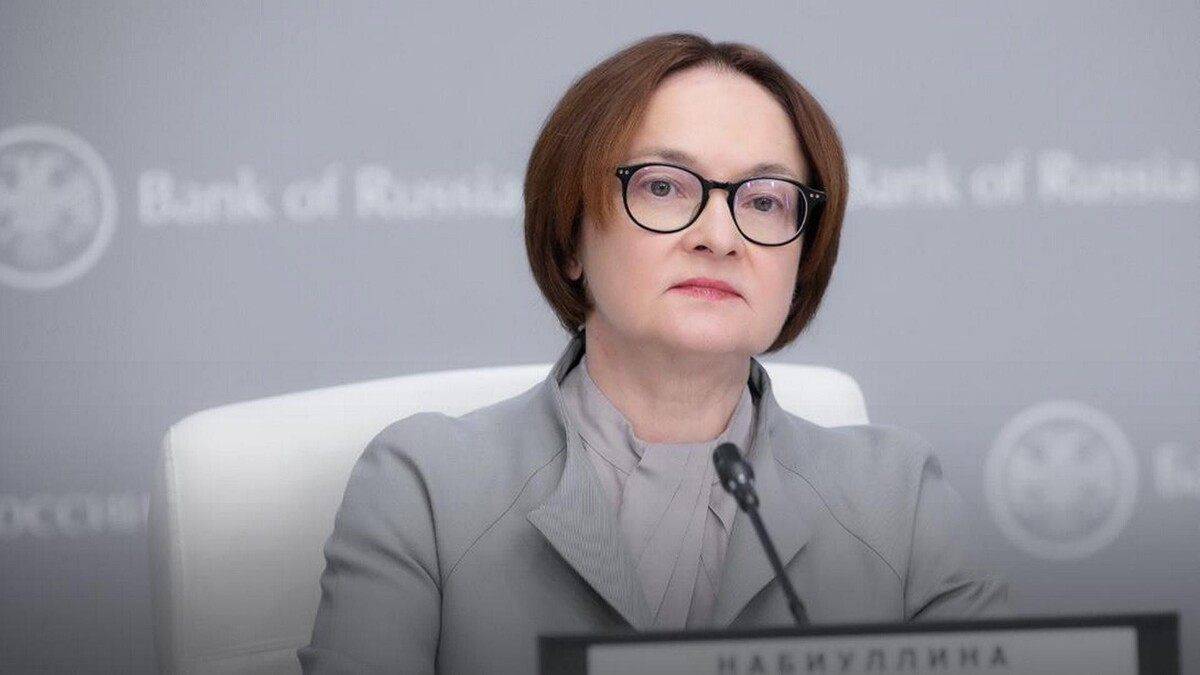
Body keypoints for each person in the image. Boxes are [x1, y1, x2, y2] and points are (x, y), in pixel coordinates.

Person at [300, 32, 1005, 675]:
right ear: (572, 238)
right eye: (664, 187)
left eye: (764, 201)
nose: (719, 237)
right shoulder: (425, 489)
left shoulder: (900, 502)